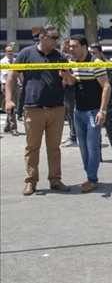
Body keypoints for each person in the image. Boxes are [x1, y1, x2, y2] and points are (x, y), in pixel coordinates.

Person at [5, 25, 71, 196]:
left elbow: (70, 79)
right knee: (33, 147)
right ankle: (31, 181)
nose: (56, 41)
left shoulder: (60, 56)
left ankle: (55, 180)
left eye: (57, 38)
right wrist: (9, 99)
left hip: (56, 108)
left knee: (54, 147)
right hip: (33, 108)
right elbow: (11, 77)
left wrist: (68, 77)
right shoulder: (26, 54)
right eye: (53, 38)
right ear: (42, 37)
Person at [60, 35, 111, 192]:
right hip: (79, 110)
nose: (71, 49)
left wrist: (102, 110)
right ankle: (89, 176)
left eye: (74, 46)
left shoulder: (96, 62)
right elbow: (74, 82)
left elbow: (106, 87)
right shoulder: (73, 63)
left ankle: (92, 178)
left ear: (84, 47)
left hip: (93, 111)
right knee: (83, 147)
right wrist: (67, 76)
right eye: (70, 46)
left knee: (92, 146)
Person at [90, 43, 112, 164]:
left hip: (108, 101)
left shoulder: (109, 64)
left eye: (94, 52)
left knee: (111, 129)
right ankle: (97, 155)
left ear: (100, 52)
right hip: (94, 101)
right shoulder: (89, 63)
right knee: (95, 129)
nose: (92, 55)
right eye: (91, 52)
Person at [61, 39, 78, 147]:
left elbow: (70, 73)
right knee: (68, 113)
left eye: (63, 44)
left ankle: (73, 136)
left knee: (72, 113)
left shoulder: (72, 59)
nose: (61, 46)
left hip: (71, 89)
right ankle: (72, 134)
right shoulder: (65, 57)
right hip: (65, 89)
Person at [2, 45, 21, 136]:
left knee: (14, 105)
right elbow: (8, 75)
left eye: (12, 51)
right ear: (5, 52)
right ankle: (13, 128)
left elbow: (20, 73)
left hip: (16, 85)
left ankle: (7, 126)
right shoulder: (3, 62)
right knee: (11, 105)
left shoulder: (16, 61)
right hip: (6, 85)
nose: (10, 52)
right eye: (8, 51)